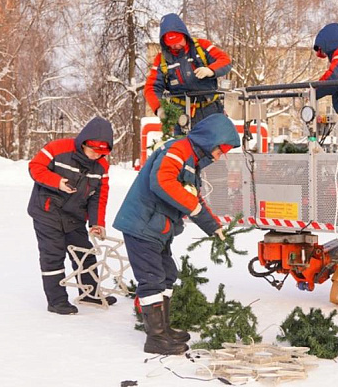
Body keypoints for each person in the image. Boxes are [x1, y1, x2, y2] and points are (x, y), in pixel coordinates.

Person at [113, 113, 239, 355]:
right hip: (142, 225)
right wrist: (194, 207)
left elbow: (193, 197)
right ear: (210, 140)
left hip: (157, 228)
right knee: (152, 279)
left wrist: (213, 226)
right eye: (221, 149)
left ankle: (165, 329)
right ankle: (156, 339)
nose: (221, 155)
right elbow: (161, 181)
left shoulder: (192, 159)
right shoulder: (179, 150)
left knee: (167, 274)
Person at [27, 116, 115, 315]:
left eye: (101, 153)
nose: (95, 156)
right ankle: (57, 301)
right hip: (47, 212)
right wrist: (57, 181)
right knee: (53, 255)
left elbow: (99, 197)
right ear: (84, 142)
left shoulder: (102, 168)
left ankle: (90, 293)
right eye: (93, 151)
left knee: (85, 253)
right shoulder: (58, 148)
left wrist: (97, 223)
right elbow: (35, 167)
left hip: (74, 216)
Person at [144, 13, 232, 130]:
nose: (177, 46)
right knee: (183, 146)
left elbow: (225, 60)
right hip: (181, 115)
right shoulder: (162, 61)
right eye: (172, 44)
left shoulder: (202, 46)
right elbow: (151, 87)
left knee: (216, 146)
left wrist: (210, 70)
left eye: (178, 41)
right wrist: (160, 109)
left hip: (210, 110)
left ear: (184, 35)